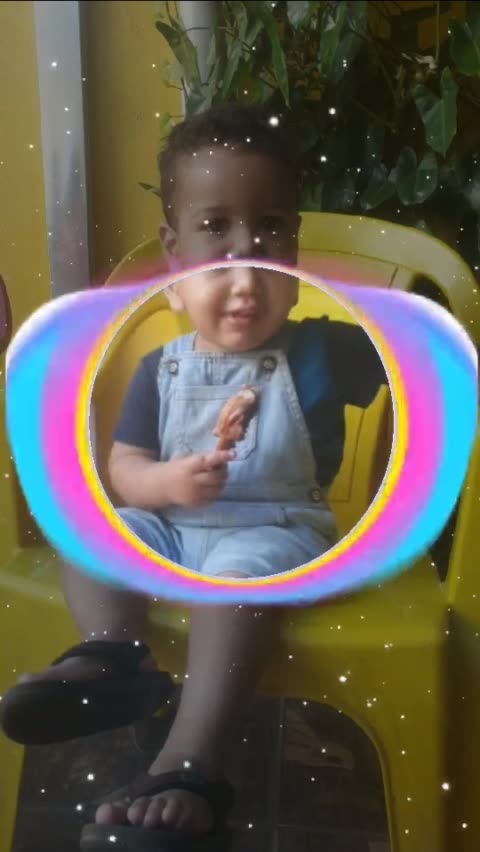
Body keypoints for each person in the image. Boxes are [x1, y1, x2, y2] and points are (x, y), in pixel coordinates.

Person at [1, 105, 386, 850]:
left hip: (274, 532)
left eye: (270, 227)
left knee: (233, 579)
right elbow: (124, 469)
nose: (248, 248)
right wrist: (167, 483)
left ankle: (192, 764)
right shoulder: (162, 368)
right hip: (173, 527)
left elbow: (428, 374)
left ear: (294, 252)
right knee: (94, 528)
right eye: (216, 226)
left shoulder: (325, 350)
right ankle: (111, 653)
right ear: (175, 262)